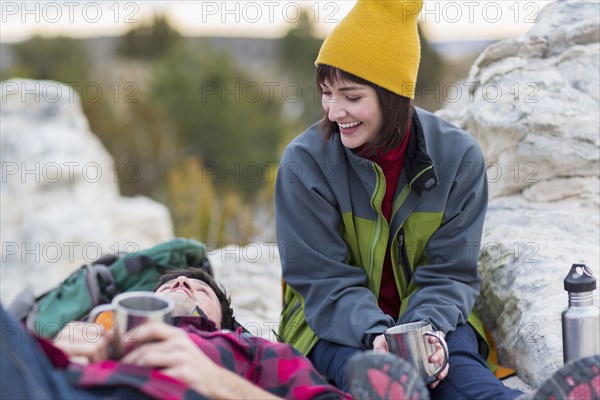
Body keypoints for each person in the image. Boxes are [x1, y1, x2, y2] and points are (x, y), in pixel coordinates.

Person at [273, 0, 578, 399]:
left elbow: (450, 272)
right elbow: (322, 280)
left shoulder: (458, 158)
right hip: (330, 325)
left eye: (351, 96)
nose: (334, 112)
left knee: (466, 379)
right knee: (374, 378)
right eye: (327, 93)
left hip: (436, 320)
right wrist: (378, 337)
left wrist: (425, 333)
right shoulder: (305, 163)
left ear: (393, 95)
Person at [1, 268, 359, 399]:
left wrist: (220, 384)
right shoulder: (107, 327)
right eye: (169, 285)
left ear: (223, 325)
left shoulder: (255, 351)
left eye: (200, 289)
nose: (183, 281)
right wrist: (57, 347)